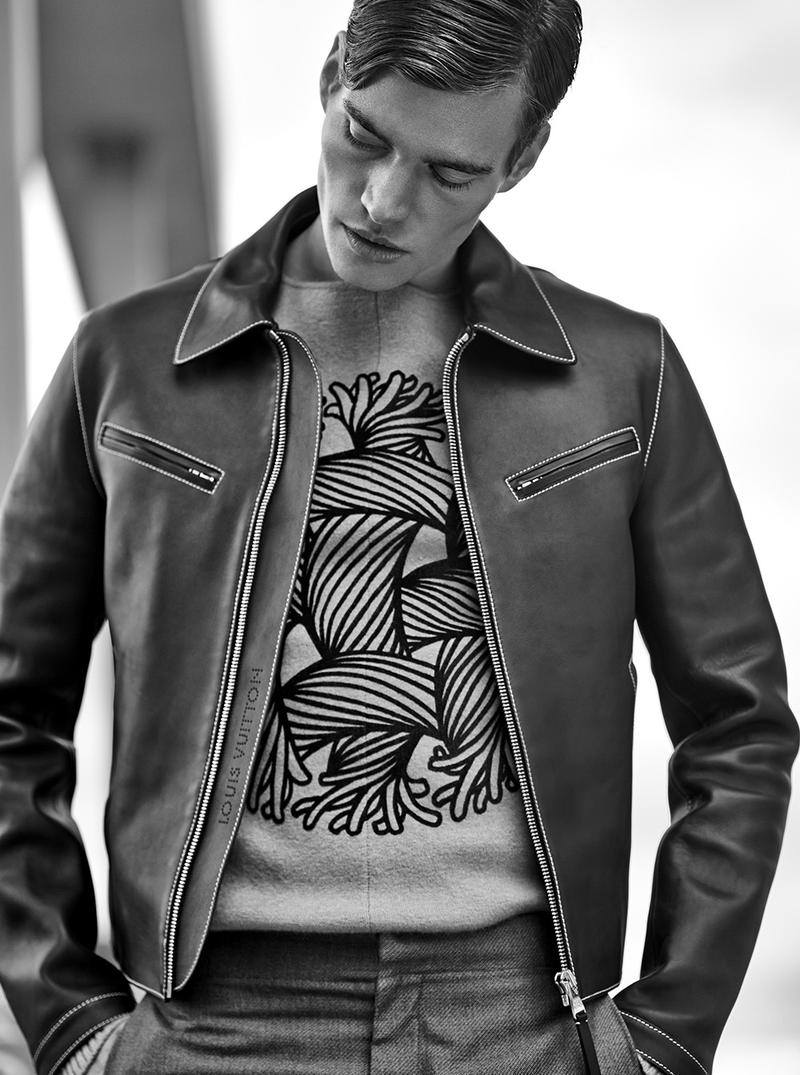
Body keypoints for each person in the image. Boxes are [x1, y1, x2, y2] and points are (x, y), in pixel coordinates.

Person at [0, 1, 796, 1073]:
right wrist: (69, 1023)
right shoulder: (125, 365)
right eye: (364, 135)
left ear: (522, 158)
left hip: (516, 1023)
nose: (381, 200)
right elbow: (11, 706)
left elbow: (738, 722)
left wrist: (660, 1038)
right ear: (333, 74)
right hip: (210, 1023)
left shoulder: (620, 375)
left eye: (448, 172)